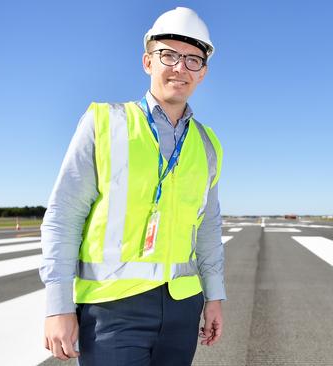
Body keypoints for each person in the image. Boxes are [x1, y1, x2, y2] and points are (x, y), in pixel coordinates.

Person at [40, 7, 225, 365]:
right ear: (147, 62)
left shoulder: (207, 144)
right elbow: (64, 216)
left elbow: (207, 226)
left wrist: (214, 296)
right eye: (168, 55)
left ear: (203, 73)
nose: (180, 68)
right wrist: (57, 305)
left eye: (192, 60)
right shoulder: (104, 121)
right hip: (111, 308)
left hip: (183, 307)